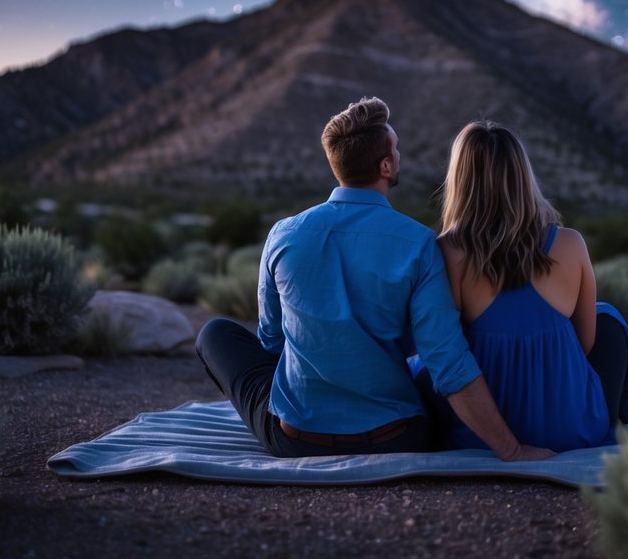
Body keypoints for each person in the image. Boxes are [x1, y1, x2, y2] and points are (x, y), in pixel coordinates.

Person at [195, 97, 552, 461]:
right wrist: (513, 449)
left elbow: (271, 340)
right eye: (396, 149)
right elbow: (447, 361)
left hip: (297, 439)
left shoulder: (283, 235)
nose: (399, 156)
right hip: (397, 437)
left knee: (216, 333)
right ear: (385, 165)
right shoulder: (419, 244)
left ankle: (311, 406)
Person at [425, 120, 628, 452]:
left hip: (487, 431)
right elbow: (585, 343)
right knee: (609, 320)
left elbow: (449, 351)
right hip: (570, 427)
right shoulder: (570, 244)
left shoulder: (447, 252)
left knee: (422, 363)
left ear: (460, 181)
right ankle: (617, 415)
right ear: (523, 177)